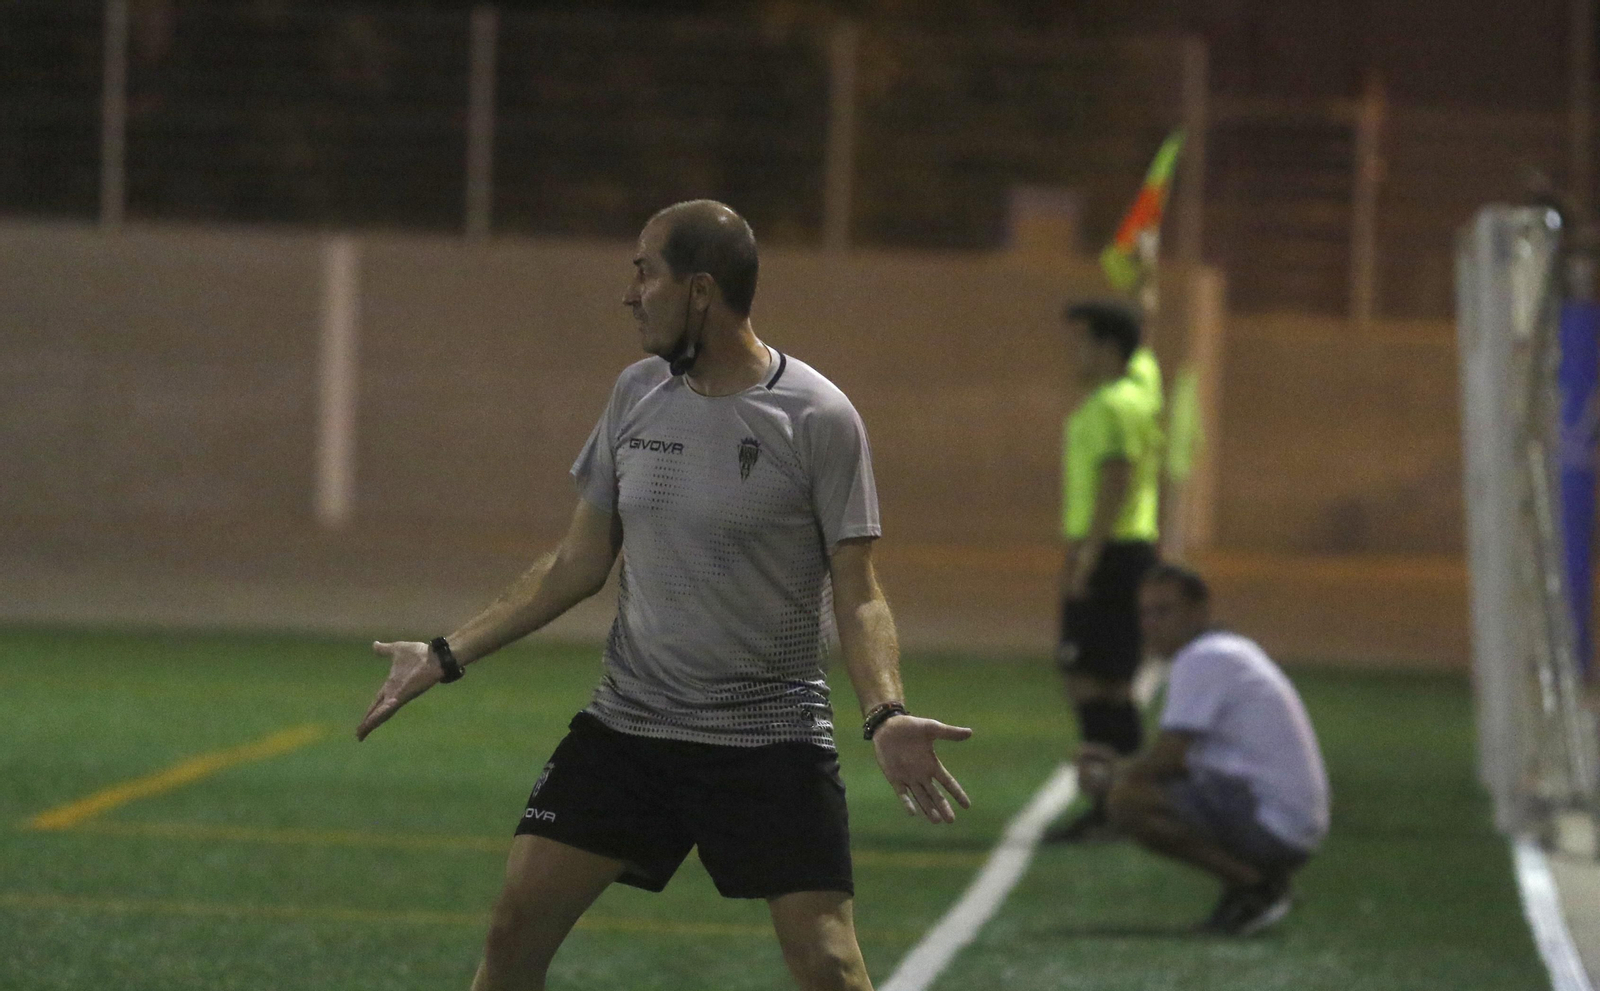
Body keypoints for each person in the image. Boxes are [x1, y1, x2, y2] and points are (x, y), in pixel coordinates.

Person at [354, 199, 973, 991]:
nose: (631, 292)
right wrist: (444, 652)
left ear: (701, 290)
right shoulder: (635, 395)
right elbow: (577, 563)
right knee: (514, 930)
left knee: (828, 965)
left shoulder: (818, 416)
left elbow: (860, 592)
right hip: (630, 729)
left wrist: (884, 710)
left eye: (645, 271)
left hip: (768, 737)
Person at [1084, 563, 1330, 935]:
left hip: (1275, 824)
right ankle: (1256, 883)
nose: (1151, 624)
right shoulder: (1225, 650)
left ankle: (1256, 887)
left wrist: (1114, 776)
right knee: (1136, 788)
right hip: (1289, 819)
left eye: (1164, 611)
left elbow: (1170, 758)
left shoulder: (1202, 658)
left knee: (1128, 800)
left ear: (1198, 611)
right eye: (1145, 613)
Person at [1045, 301, 1163, 842]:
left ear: (1110, 349)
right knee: (1106, 682)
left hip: (1111, 553)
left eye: (1084, 341)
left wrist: (1087, 557)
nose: (1075, 353)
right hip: (1122, 551)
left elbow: (1115, 479)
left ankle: (1114, 805)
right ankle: (1125, 802)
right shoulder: (1134, 394)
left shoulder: (1114, 406)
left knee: (1093, 681)